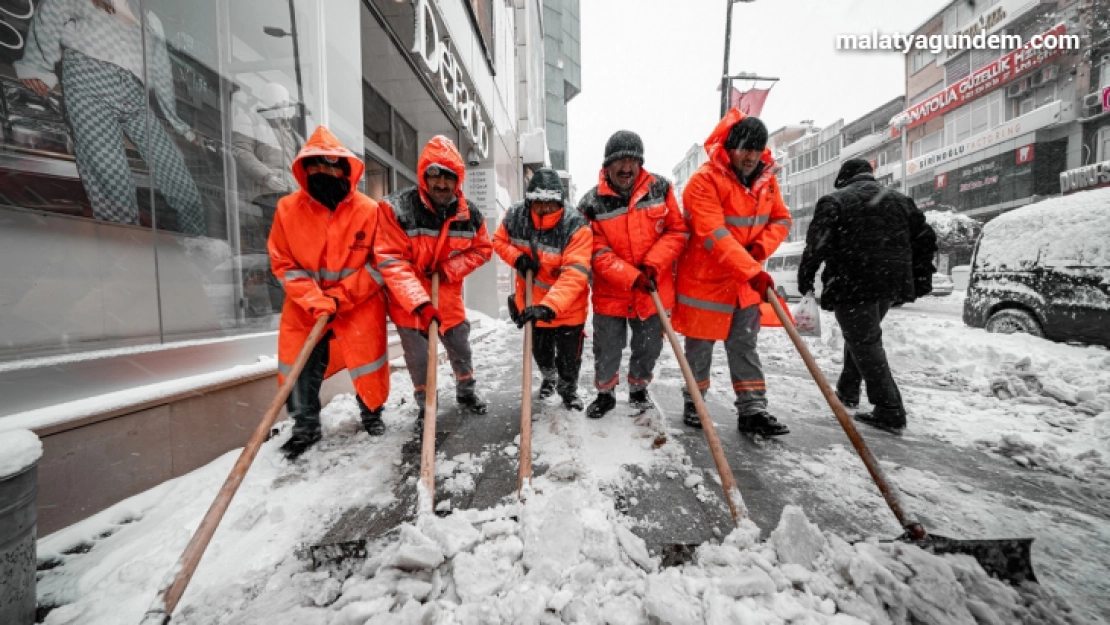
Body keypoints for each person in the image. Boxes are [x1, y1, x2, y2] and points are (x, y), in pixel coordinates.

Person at [15, 0, 206, 235]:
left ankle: (197, 249)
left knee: (180, 181)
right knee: (114, 185)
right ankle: (127, 257)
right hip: (88, 81)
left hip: (135, 93)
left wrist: (179, 125)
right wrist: (37, 66)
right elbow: (50, 11)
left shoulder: (149, 18)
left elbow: (162, 71)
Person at [267, 127, 391, 460]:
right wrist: (314, 299)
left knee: (369, 361)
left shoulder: (369, 210)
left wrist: (340, 297)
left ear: (346, 170)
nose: (324, 173)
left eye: (332, 166)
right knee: (300, 364)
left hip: (359, 303)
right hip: (305, 306)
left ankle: (372, 413)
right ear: (304, 170)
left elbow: (379, 264)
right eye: (316, 166)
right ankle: (304, 427)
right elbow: (284, 263)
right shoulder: (287, 210)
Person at [672, 111, 793, 436]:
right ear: (729, 148)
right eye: (744, 148)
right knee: (700, 349)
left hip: (743, 285)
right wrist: (751, 268)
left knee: (744, 346)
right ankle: (695, 402)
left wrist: (758, 251)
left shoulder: (767, 181)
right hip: (705, 285)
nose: (751, 156)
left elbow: (781, 220)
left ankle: (753, 410)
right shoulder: (704, 181)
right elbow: (713, 234)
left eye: (757, 149)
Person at [797, 159, 937, 433]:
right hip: (889, 284)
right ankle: (848, 391)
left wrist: (807, 278)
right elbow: (926, 239)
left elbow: (817, 245)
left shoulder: (835, 201)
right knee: (862, 336)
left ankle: (889, 409)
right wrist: (918, 277)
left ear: (843, 179)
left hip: (852, 282)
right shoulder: (900, 201)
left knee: (864, 340)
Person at [375, 136, 493, 431]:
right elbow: (391, 260)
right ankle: (426, 406)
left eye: (449, 177)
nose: (441, 183)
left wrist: (450, 268)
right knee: (419, 360)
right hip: (409, 301)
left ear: (459, 180)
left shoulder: (470, 216)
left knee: (460, 348)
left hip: (448, 297)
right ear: (423, 176)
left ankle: (466, 393)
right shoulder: (397, 209)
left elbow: (483, 250)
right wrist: (420, 302)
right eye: (434, 174)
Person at [577, 131, 689, 419]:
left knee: (649, 345)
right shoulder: (591, 203)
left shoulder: (660, 189)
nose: (626, 167)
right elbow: (596, 252)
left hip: (653, 287)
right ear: (607, 165)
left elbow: (677, 231)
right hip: (611, 291)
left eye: (633, 160)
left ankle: (639, 388)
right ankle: (605, 393)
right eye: (620, 161)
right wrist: (630, 276)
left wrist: (653, 264)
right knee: (607, 347)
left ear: (640, 163)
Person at [492, 168, 592, 410]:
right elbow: (498, 241)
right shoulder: (516, 217)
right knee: (542, 353)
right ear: (529, 200)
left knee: (569, 359)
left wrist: (549, 307)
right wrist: (517, 258)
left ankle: (568, 390)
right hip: (532, 304)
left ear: (560, 200)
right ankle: (549, 378)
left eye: (551, 203)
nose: (545, 209)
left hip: (567, 309)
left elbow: (574, 274)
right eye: (539, 203)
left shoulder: (575, 225)